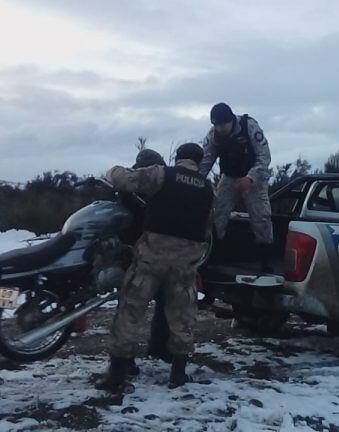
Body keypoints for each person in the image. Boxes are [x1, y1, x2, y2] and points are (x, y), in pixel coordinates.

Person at [96, 143, 214, 394]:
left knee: (131, 311)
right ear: (199, 161)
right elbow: (207, 229)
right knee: (182, 317)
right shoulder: (207, 188)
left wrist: (111, 170)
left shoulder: (164, 174)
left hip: (152, 257)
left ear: (178, 158)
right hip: (185, 262)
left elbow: (125, 180)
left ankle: (117, 375)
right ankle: (178, 375)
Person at [199, 102, 274, 271]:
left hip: (254, 175)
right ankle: (216, 251)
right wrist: (196, 181)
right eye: (217, 125)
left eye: (223, 124)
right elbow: (206, 161)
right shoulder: (213, 135)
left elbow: (264, 156)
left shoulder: (249, 127)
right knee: (218, 212)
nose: (220, 128)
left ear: (231, 120)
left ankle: (266, 257)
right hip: (229, 176)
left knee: (261, 214)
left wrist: (251, 178)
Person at [131, 148, 172, 362]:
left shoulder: (135, 188)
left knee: (159, 303)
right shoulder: (131, 190)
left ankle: (156, 349)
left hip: (149, 254)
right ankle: (126, 360)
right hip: (138, 254)